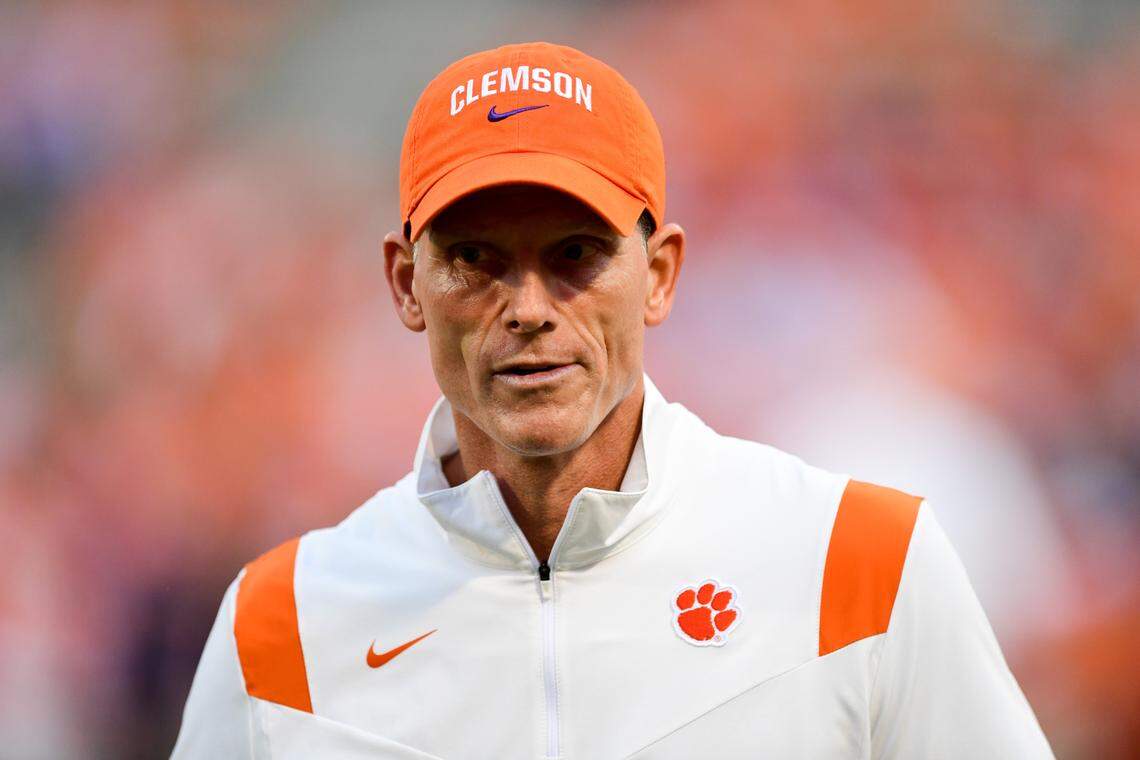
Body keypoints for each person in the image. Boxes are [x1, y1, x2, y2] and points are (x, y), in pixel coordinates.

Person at [171, 41, 1054, 759]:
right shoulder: (279, 628)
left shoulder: (860, 569)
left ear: (659, 274)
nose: (526, 309)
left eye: (576, 255)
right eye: (475, 258)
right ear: (407, 285)